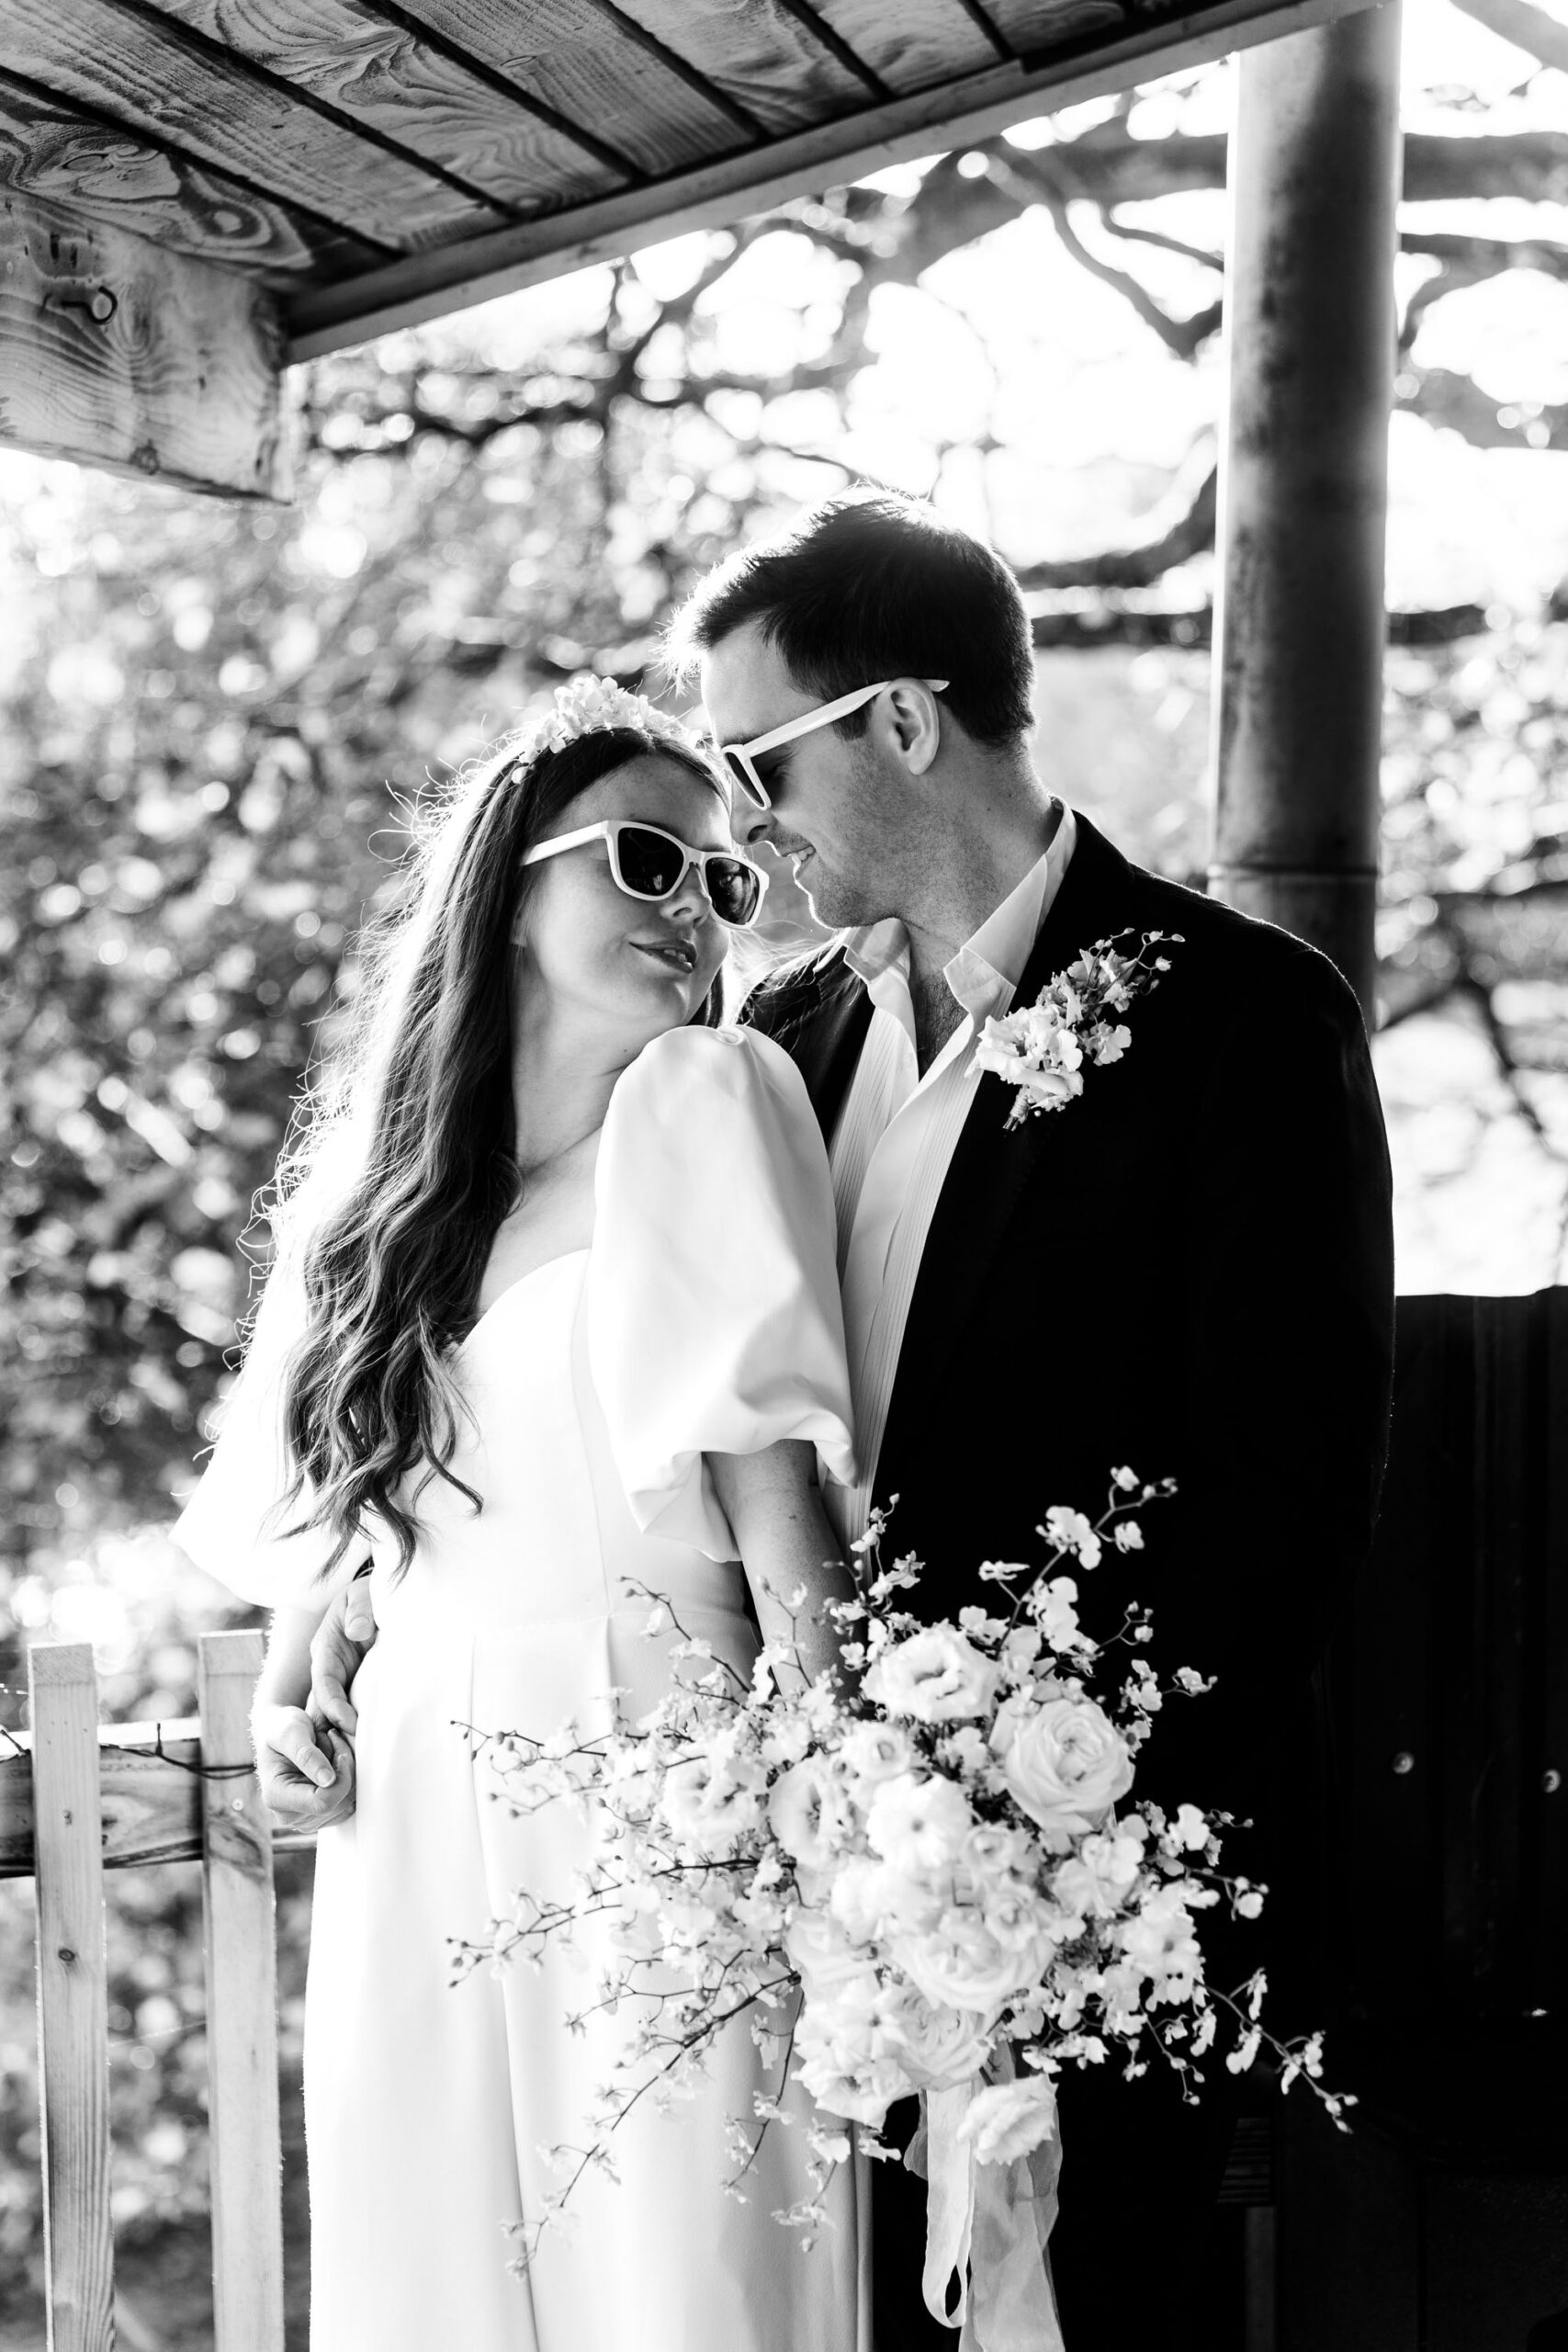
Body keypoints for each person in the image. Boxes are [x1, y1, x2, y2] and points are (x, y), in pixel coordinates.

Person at [672, 492, 1396, 2352]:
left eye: (757, 761)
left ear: (899, 721)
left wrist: (1039, 1834)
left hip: (1088, 1900)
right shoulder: (782, 1036)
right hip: (816, 1910)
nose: (738, 824)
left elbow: (1279, 1492)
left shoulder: (1241, 1017)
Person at [173, 681, 867, 2352]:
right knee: (435, 2285)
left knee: (682, 2292)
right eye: (643, 859)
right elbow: (320, 1604)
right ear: (510, 888)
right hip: (414, 1811)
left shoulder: (702, 1101)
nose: (692, 911)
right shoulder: (372, 1208)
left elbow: (784, 1528)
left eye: (721, 878)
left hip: (659, 1785)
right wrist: (299, 1722)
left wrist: (852, 1848)